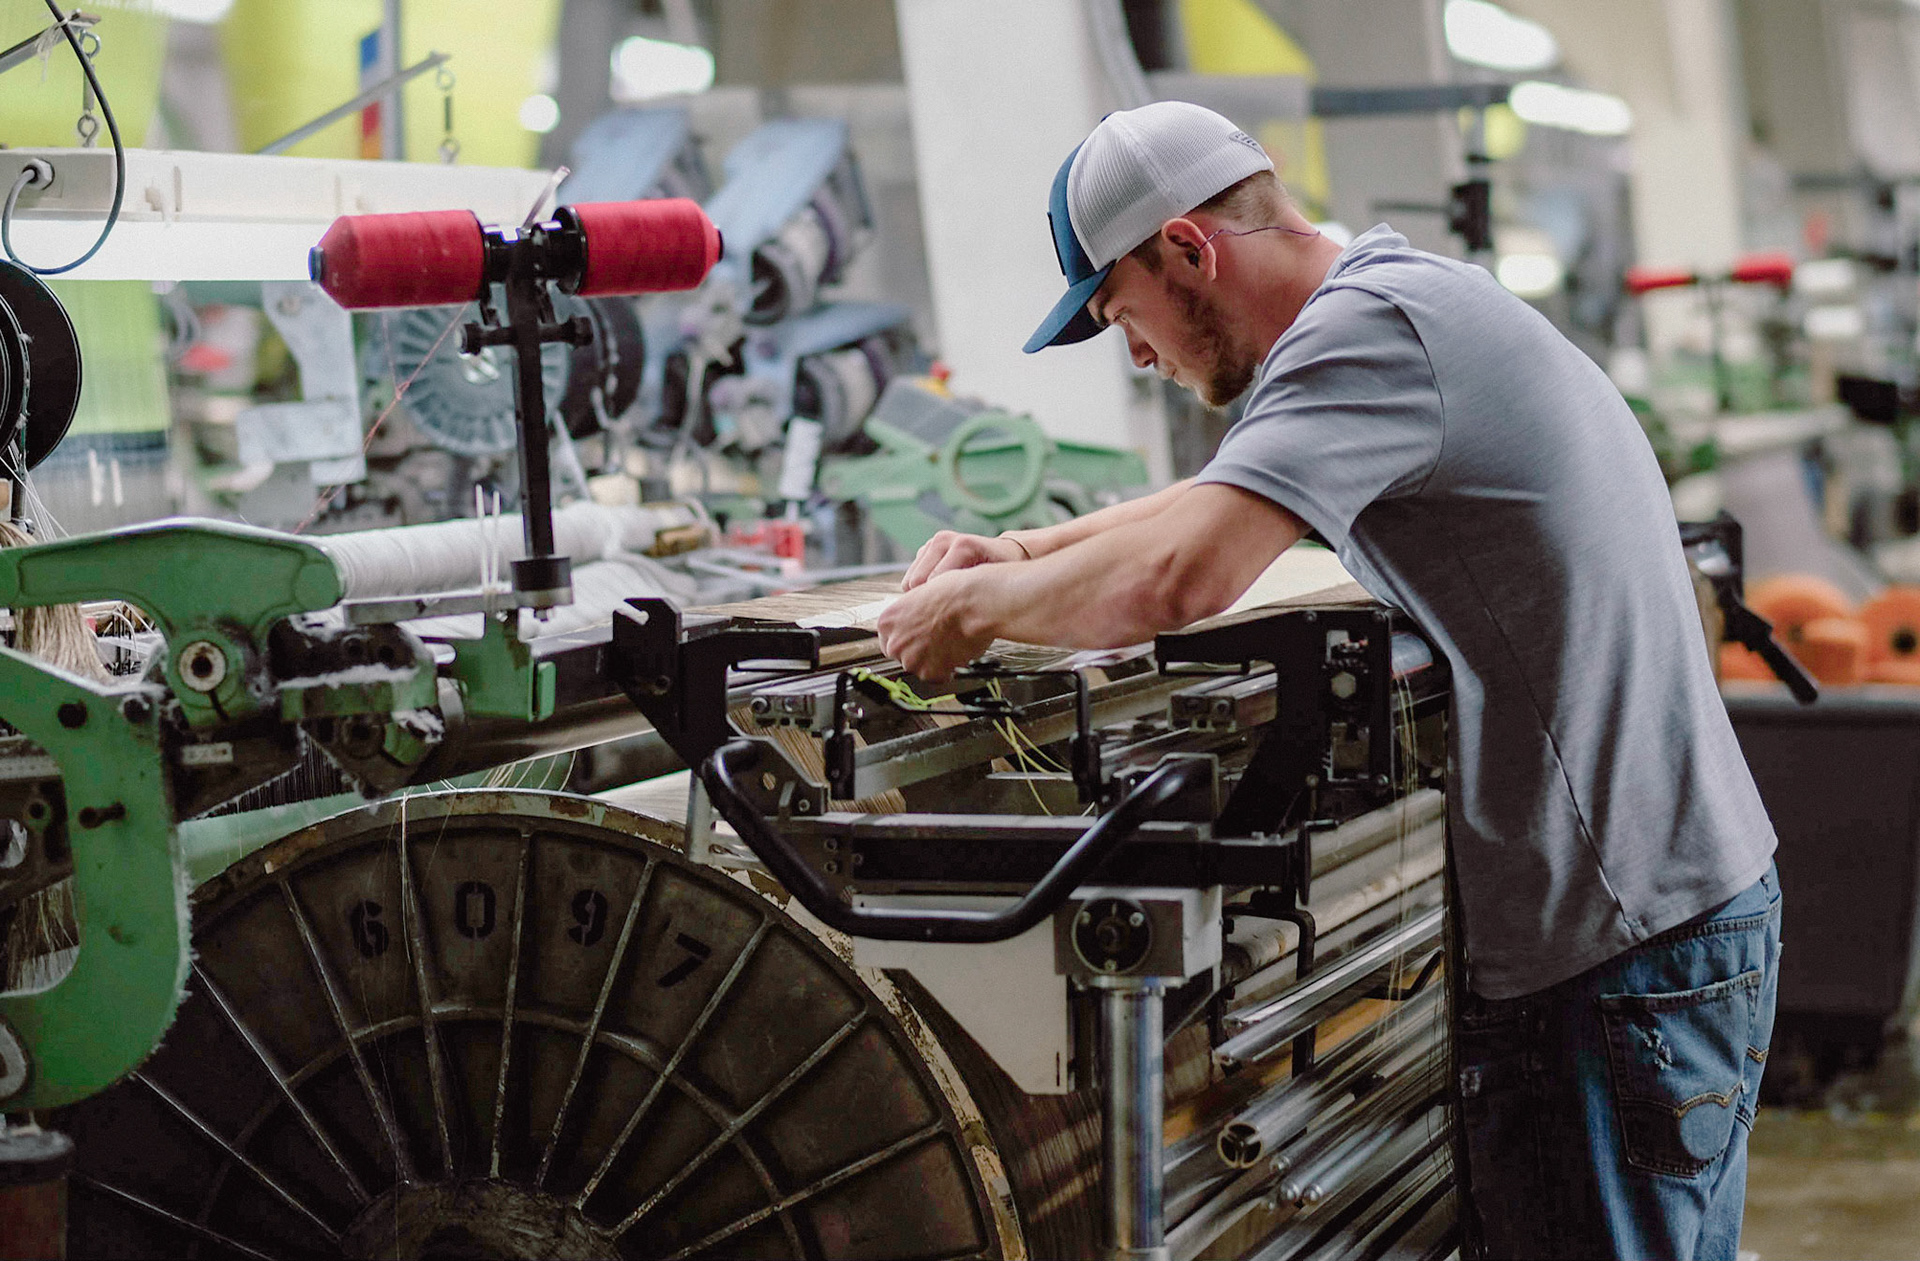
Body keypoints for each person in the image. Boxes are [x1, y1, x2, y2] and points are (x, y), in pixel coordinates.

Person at [874, 101, 1782, 1261]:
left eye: (1121, 315)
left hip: (1618, 945)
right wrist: (1017, 552)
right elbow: (1210, 498)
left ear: (1188, 249)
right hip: (1664, 914)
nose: (1138, 356)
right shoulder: (1393, 301)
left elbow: (1182, 574)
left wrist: (966, 614)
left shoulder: (1371, 330)